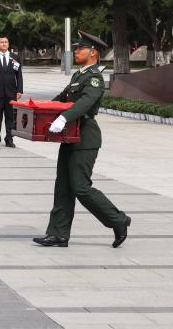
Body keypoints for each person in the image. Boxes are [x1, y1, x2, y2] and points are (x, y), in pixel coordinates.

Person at [33, 31, 131, 248]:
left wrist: (63, 118)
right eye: (76, 48)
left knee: (81, 187)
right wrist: (39, 110)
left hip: (85, 137)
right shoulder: (79, 76)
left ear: (93, 52)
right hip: (70, 136)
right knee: (63, 186)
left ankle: (118, 219)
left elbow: (85, 103)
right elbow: (62, 98)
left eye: (80, 48)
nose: (75, 51)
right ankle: (58, 234)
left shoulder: (95, 78)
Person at [0, 35, 23, 148]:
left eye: (6, 42)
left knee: (11, 117)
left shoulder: (15, 57)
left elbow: (19, 75)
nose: (4, 44)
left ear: (8, 44)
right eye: (1, 42)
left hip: (11, 93)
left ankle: (9, 139)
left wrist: (20, 90)